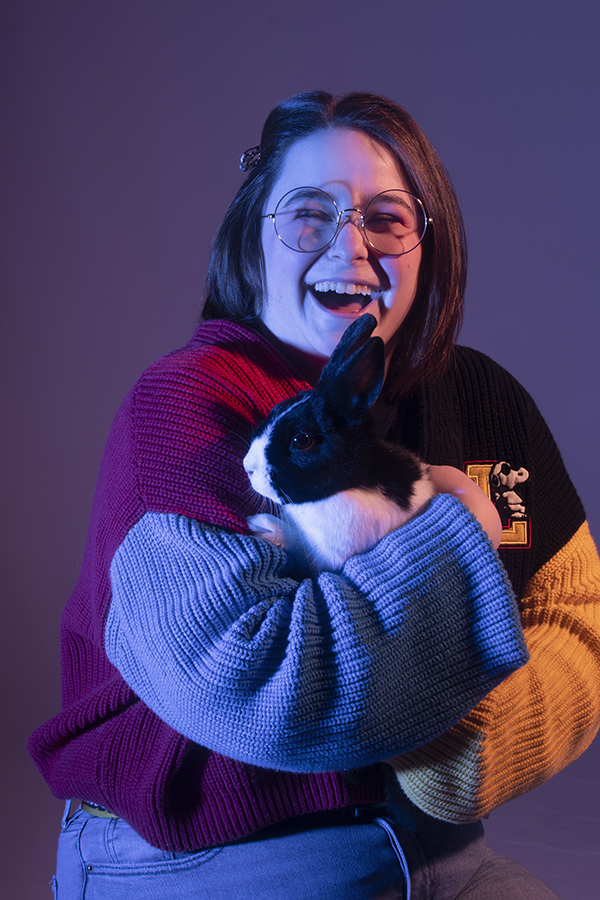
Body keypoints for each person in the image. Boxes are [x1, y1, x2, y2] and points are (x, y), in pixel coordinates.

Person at [29, 92, 600, 899]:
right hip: (215, 850)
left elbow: (577, 614)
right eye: (308, 214)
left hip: (440, 846)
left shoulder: (481, 396)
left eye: (388, 219)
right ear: (253, 236)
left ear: (428, 245)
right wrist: (451, 525)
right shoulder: (183, 407)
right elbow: (265, 690)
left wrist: (463, 753)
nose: (352, 246)